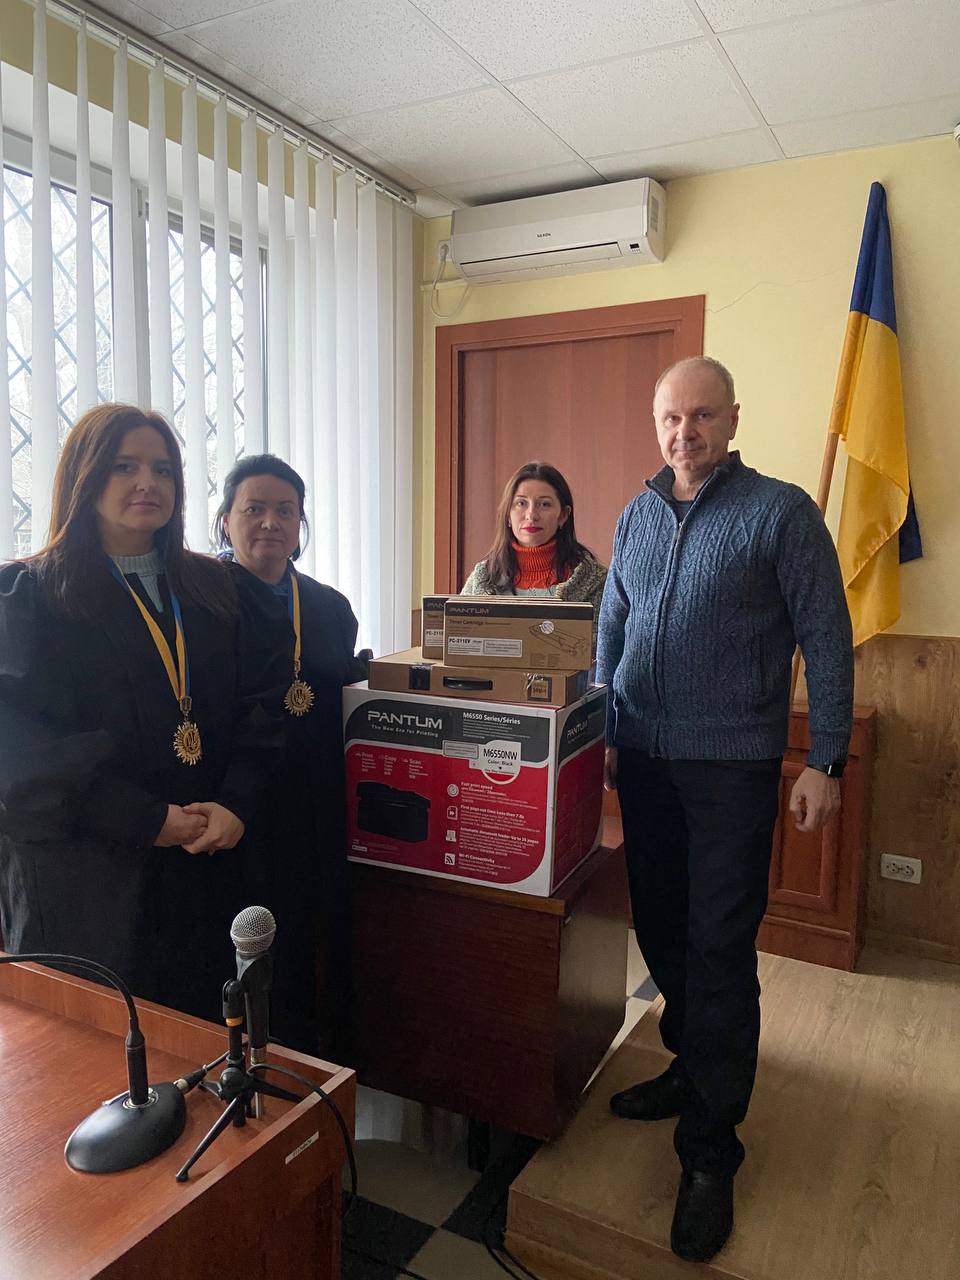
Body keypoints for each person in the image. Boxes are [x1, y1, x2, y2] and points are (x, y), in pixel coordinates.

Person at [597, 357, 853, 1263]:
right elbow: (612, 626)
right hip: (643, 760)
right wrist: (601, 728)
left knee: (718, 947)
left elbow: (827, 635)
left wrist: (825, 759)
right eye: (671, 418)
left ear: (732, 420)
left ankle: (711, 1150)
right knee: (663, 931)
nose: (685, 433)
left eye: (702, 416)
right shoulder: (635, 515)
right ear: (656, 423)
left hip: (732, 768)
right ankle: (690, 1062)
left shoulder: (780, 513)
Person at [0, 404, 284, 1021]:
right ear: (84, 476)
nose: (147, 483)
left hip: (207, 861)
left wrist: (237, 801)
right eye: (123, 466)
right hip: (93, 881)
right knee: (101, 1056)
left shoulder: (216, 589)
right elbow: (21, 755)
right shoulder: (32, 598)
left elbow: (262, 705)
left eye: (162, 469)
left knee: (208, 1039)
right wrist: (146, 819)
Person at [215, 454, 367, 1057]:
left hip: (315, 798)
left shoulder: (329, 606)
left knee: (310, 934)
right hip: (239, 806)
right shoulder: (202, 603)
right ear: (225, 520)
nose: (270, 523)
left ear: (301, 523)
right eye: (253, 509)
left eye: (285, 511)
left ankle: (312, 1056)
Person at [460, 461, 607, 612]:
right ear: (508, 516)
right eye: (521, 503)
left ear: (563, 515)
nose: (531, 515)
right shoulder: (483, 578)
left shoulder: (595, 582)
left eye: (544, 504)